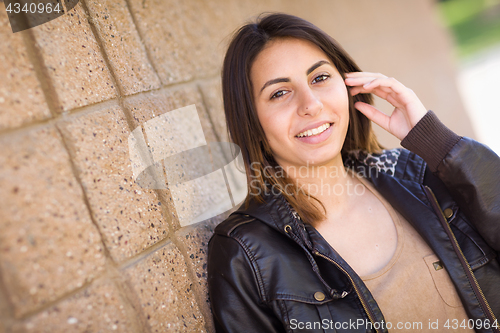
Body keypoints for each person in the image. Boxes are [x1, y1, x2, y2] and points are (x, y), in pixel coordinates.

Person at [207, 13, 500, 333]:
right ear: (252, 122)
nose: (311, 104)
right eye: (279, 93)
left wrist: (437, 143)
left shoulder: (419, 175)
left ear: (349, 87)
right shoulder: (245, 253)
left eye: (319, 78)